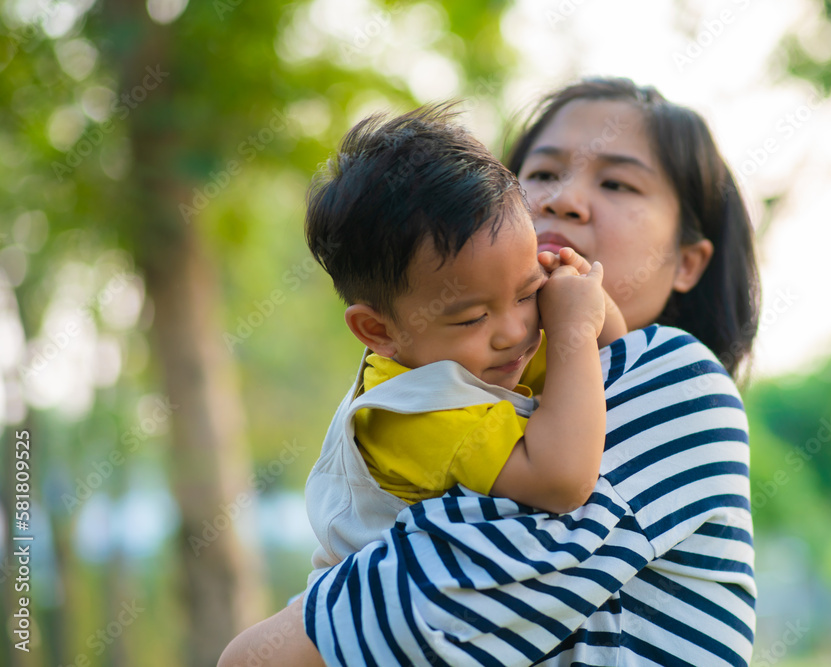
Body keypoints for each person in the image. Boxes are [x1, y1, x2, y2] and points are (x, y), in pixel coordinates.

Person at [219, 76, 760, 667]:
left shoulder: (683, 385)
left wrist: (578, 317)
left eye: (616, 183)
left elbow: (414, 607)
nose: (561, 200)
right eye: (544, 173)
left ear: (688, 262)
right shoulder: (434, 394)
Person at [300, 105, 626, 581]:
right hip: (382, 613)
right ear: (379, 332)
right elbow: (562, 483)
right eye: (472, 317)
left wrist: (578, 290)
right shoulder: (408, 413)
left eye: (527, 292)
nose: (514, 331)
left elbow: (618, 354)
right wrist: (574, 330)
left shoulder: (489, 351)